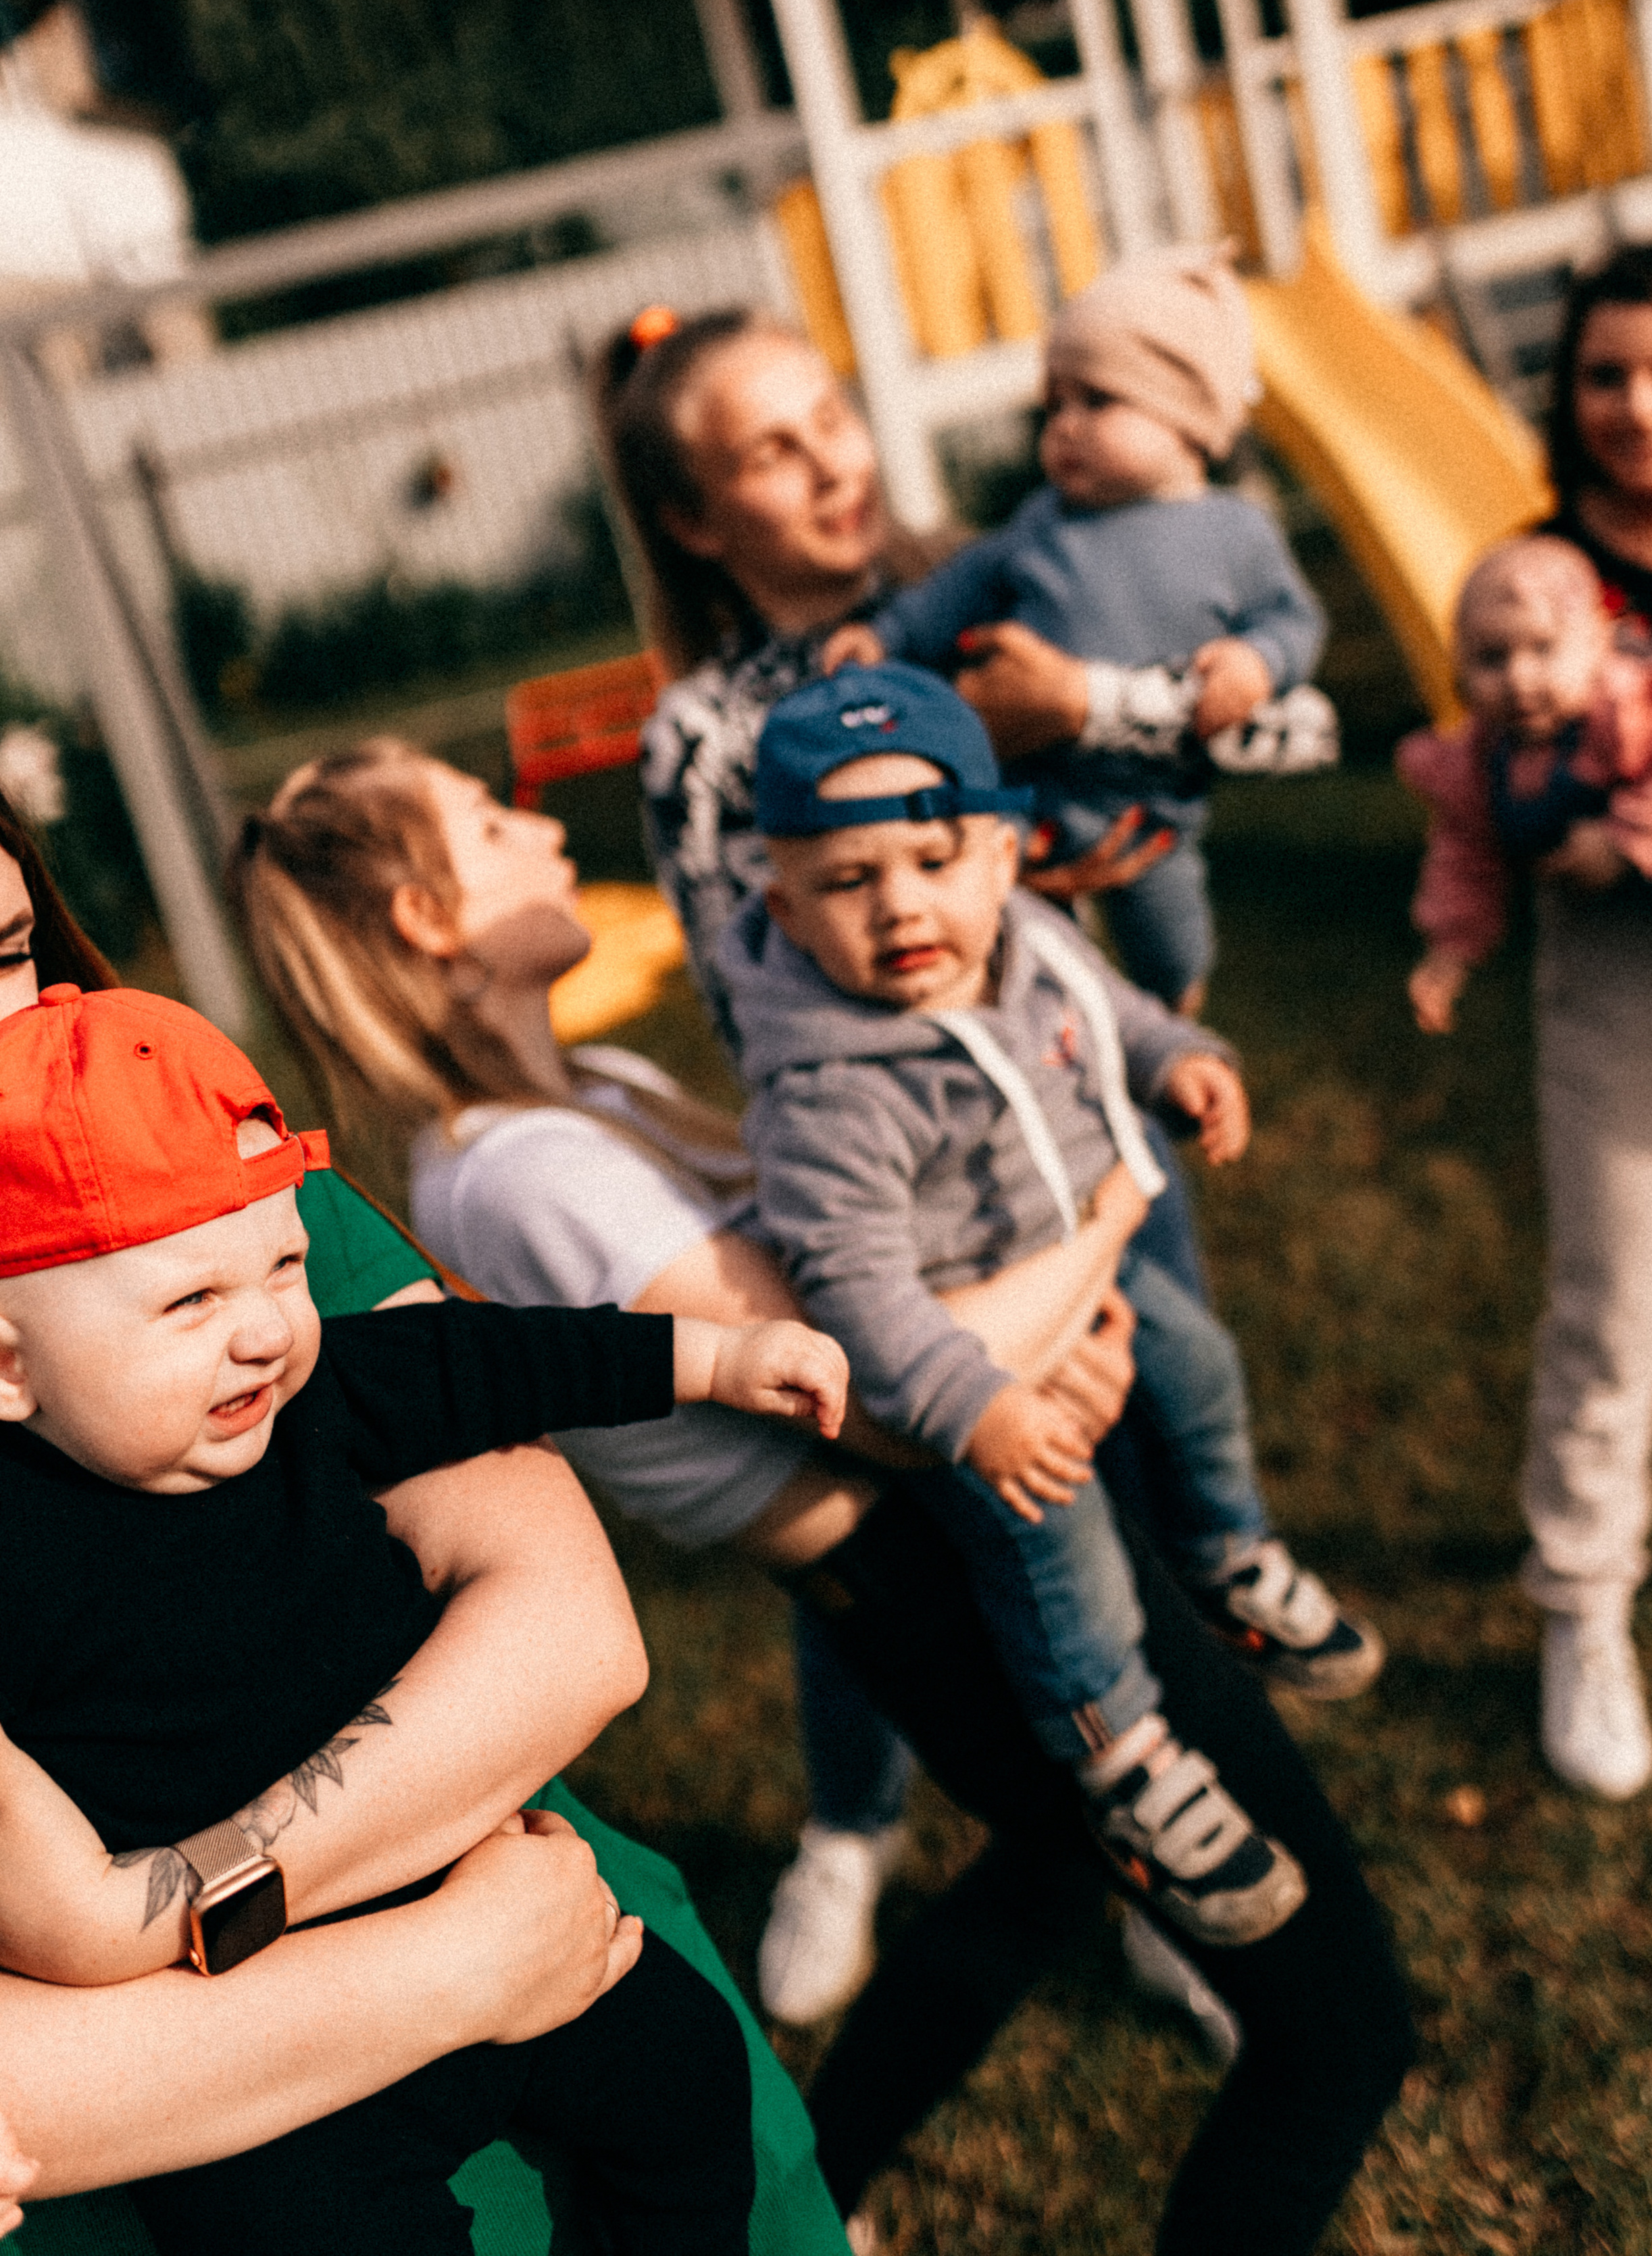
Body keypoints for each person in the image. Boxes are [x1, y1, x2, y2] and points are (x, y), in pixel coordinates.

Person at [229, 734, 1417, 2251]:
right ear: (421, 915)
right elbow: (865, 1389)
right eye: (485, 818)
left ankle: (827, 2189)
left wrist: (1038, 1361)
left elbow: (901, 1312)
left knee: (1054, 1871)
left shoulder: (590, 1088)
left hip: (948, 1548)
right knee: (1339, 2032)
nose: (539, 827)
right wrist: (1106, 1227)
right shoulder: (521, 1172)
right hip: (937, 1576)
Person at [0, 785, 857, 2256]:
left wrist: (160, 1915)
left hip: (549, 1932)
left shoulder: (202, 1193)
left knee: (687, 2119)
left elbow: (566, 1633)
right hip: (236, 2150)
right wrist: (440, 1966)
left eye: (7, 949)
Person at [608, 299, 1264, 2011]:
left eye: (830, 408)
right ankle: (856, 1818)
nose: (832, 453)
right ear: (694, 518)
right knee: (921, 1503)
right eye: (769, 444)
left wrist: (1096, 763)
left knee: (1125, 1461)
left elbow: (1157, 780)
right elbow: (764, 985)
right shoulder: (705, 731)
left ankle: (1155, 1858)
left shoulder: (997, 590)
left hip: (1077, 1105)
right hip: (894, 1178)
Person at [824, 249, 1336, 1013]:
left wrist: (1258, 662)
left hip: (1146, 808)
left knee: (1167, 934)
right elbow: (961, 586)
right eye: (1053, 405)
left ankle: (1172, 1012)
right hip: (1033, 784)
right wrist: (887, 634)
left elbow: (1295, 619)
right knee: (1011, 932)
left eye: (1097, 401)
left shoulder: (1236, 533)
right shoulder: (1043, 524)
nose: (1063, 427)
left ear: (1187, 419)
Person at [1501, 239, 1652, 1801]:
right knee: (1616, 1288)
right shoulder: (1537, 574)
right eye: (1603, 373)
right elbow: (1484, 776)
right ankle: (1580, 1605)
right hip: (1632, 958)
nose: (1637, 406)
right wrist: (1566, 824)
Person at [1400, 536, 1652, 1034]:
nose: (1519, 677)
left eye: (1544, 648)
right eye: (1492, 658)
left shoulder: (1632, 709)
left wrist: (1623, 838)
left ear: (1599, 645)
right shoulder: (1481, 759)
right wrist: (1450, 949)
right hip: (1629, 935)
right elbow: (1467, 848)